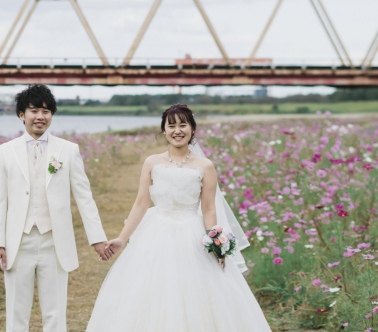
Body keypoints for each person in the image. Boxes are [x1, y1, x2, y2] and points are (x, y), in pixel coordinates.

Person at [86, 104, 271, 331]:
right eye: (171, 125)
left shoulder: (205, 166)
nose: (177, 130)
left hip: (191, 234)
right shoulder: (152, 162)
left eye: (183, 124)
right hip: (155, 233)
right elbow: (141, 202)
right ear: (163, 130)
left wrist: (216, 245)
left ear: (192, 129)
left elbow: (209, 209)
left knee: (197, 293)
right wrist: (122, 239)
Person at [0, 84, 111, 332]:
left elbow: (84, 197)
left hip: (54, 241)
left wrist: (97, 238)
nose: (40, 117)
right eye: (34, 110)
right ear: (21, 115)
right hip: (17, 242)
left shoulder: (68, 150)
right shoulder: (6, 151)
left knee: (55, 313)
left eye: (46, 111)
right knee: (16, 313)